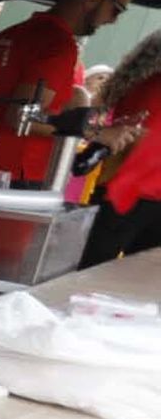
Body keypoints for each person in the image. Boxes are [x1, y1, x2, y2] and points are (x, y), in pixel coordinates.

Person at [0, 0, 136, 183]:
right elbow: (21, 117)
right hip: (11, 173)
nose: (113, 21)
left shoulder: (15, 32)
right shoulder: (57, 44)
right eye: (116, 10)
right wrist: (98, 133)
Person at [80, 31, 161, 267]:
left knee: (90, 271)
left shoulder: (137, 83)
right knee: (137, 282)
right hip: (145, 193)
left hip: (117, 188)